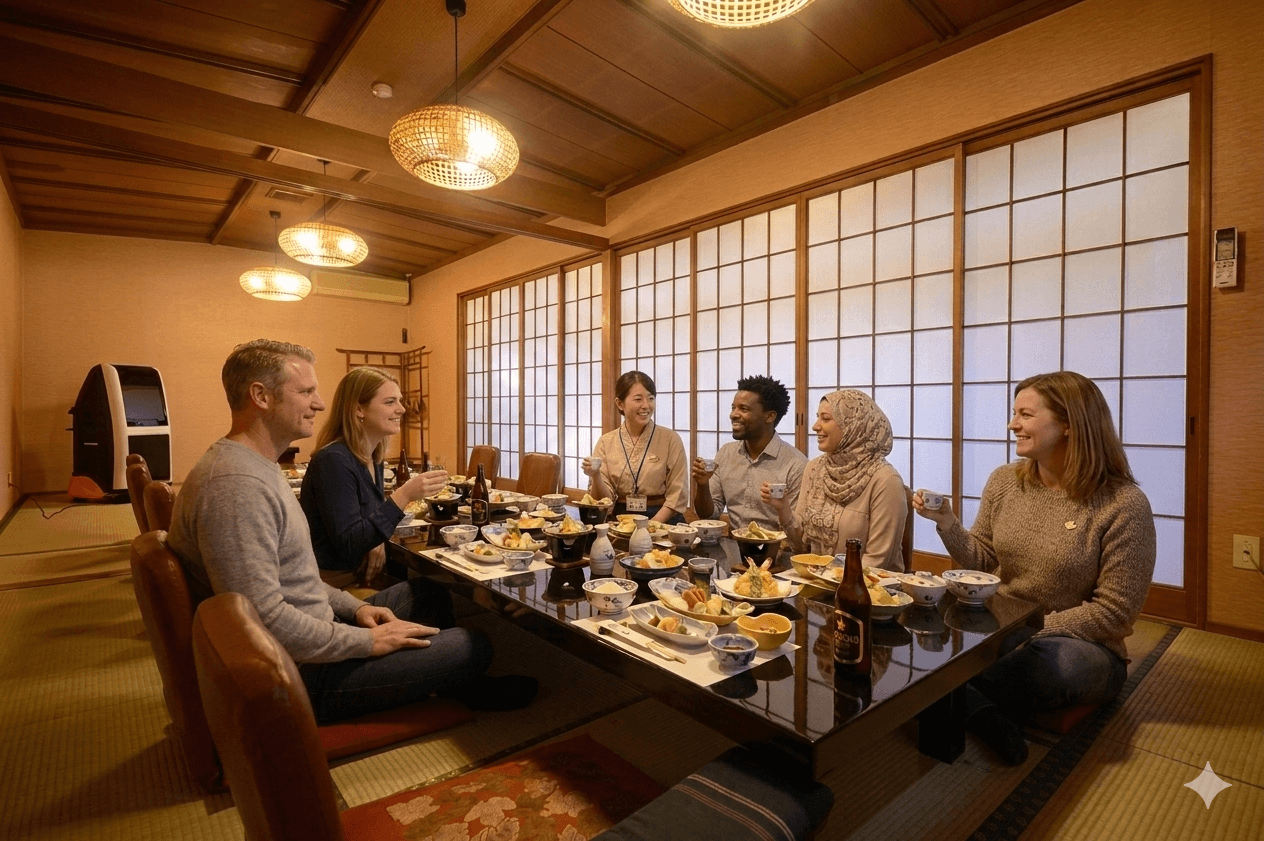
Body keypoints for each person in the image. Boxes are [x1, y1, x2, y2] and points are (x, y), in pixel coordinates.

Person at [168, 339, 536, 723]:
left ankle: (452, 682)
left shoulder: (259, 466)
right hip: (300, 673)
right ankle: (455, 676)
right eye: (306, 391)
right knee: (471, 645)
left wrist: (357, 608)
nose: (321, 403)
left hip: (314, 629)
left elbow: (299, 580)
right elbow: (262, 621)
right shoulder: (235, 484)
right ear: (260, 396)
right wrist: (366, 642)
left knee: (427, 594)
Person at [913, 371, 1156, 765]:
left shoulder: (1123, 504)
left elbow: (1114, 614)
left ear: (1069, 425)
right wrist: (947, 523)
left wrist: (1033, 629)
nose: (1012, 424)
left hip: (1072, 641)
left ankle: (952, 697)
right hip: (998, 624)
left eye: (1025, 414)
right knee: (917, 620)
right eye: (1014, 413)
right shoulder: (1006, 481)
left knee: (1052, 667)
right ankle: (982, 711)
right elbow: (984, 563)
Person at [300, 366, 445, 589]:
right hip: (336, 587)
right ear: (359, 409)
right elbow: (350, 544)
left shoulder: (373, 457)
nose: (402, 409)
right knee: (433, 593)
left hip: (361, 576)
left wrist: (376, 540)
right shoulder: (334, 460)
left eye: (400, 400)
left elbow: (364, 523)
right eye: (390, 402)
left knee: (430, 586)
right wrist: (405, 494)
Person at [763, 389, 907, 571]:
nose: (815, 426)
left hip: (867, 591)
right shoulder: (815, 468)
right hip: (817, 583)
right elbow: (801, 547)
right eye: (817, 417)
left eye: (826, 419)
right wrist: (783, 509)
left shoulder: (886, 480)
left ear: (853, 426)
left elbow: (877, 563)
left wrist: (828, 580)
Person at [691, 375, 807, 532]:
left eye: (743, 409)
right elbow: (708, 515)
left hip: (777, 551)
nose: (733, 415)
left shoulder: (796, 464)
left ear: (770, 416)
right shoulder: (726, 453)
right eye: (733, 408)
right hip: (734, 548)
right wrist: (702, 485)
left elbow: (798, 530)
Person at [582, 371, 688, 524]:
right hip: (620, 520)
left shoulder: (671, 439)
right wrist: (595, 475)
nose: (646, 405)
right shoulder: (606, 442)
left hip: (662, 519)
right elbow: (602, 501)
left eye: (651, 398)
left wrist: (650, 527)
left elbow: (677, 496)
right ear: (620, 403)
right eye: (638, 399)